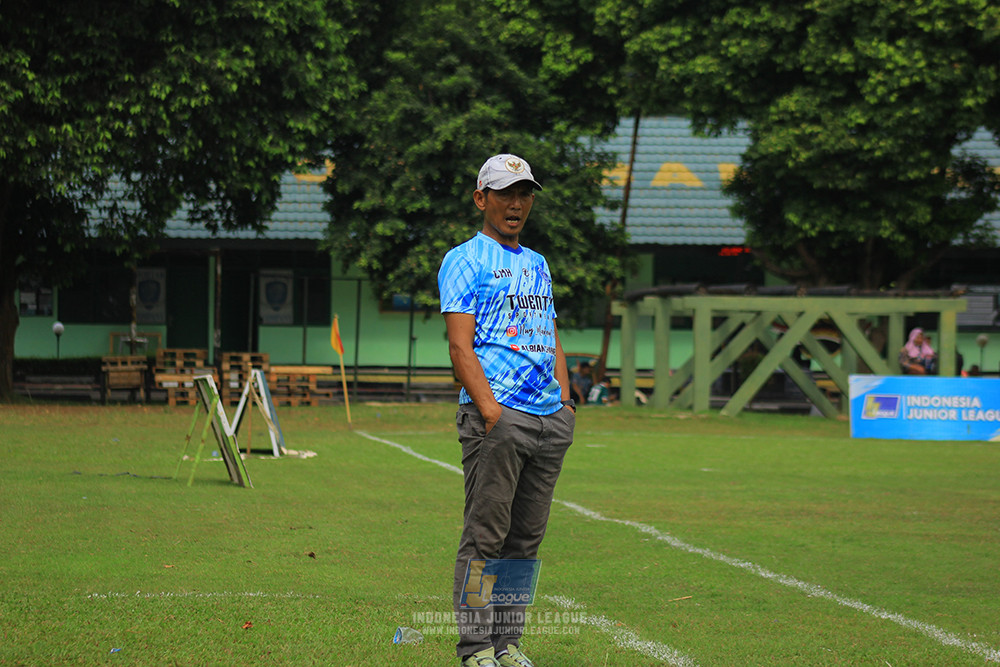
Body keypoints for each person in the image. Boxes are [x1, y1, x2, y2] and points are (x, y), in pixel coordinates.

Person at [438, 154, 575, 667]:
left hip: (548, 419)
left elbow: (550, 333)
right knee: (485, 538)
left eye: (524, 194)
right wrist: (491, 411)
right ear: (482, 199)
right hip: (498, 417)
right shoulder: (464, 259)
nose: (516, 203)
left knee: (525, 542)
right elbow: (460, 347)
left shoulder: (538, 263)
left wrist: (565, 403)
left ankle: (507, 643)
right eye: (505, 193)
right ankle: (476, 648)